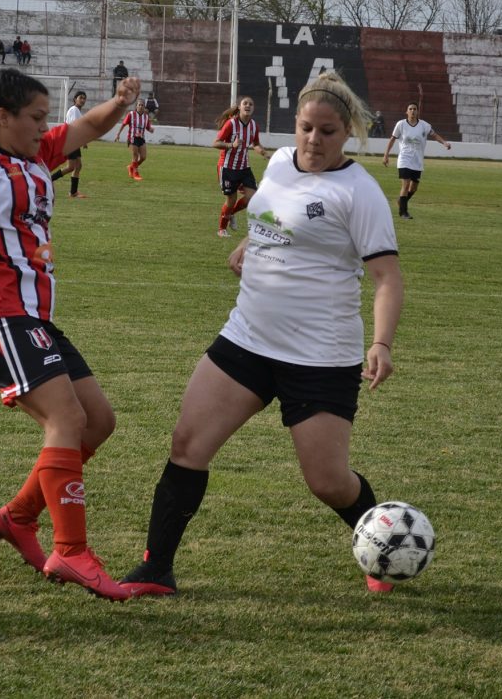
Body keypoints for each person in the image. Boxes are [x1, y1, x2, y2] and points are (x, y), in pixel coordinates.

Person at [119, 72, 404, 598]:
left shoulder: (359, 191)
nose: (314, 140)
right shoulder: (276, 163)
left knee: (327, 482)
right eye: (305, 128)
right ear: (292, 125)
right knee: (188, 444)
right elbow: (273, 218)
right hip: (247, 337)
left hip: (319, 355)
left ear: (348, 134)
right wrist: (251, 246)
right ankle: (156, 568)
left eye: (328, 131)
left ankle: (385, 543)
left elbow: (387, 278)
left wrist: (382, 343)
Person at [0, 68, 144, 601]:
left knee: (98, 422)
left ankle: (18, 518)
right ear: (4, 117)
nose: (46, 127)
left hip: (32, 318)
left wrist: (119, 104)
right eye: (37, 118)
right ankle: (71, 552)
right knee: (66, 418)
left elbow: (86, 128)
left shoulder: (31, 156)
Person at [381, 102, 451, 219]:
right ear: (406, 112)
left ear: (417, 111)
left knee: (413, 188)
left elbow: (434, 135)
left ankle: (401, 201)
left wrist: (444, 143)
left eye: (415, 109)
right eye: (410, 109)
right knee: (406, 184)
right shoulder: (401, 124)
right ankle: (403, 212)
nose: (413, 111)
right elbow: (392, 139)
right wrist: (386, 155)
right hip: (404, 159)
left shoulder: (424, 125)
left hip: (417, 161)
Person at [213, 96, 269, 238]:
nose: (248, 106)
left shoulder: (254, 125)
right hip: (227, 167)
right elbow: (216, 143)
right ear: (239, 107)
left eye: (251, 104)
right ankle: (221, 229)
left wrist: (263, 152)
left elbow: (255, 143)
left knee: (252, 197)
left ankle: (231, 213)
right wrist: (231, 145)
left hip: (244, 167)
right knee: (231, 200)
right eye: (245, 103)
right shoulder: (231, 124)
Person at [50, 91, 89, 198]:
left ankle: (73, 192)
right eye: (80, 98)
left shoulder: (77, 111)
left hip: (73, 141)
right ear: (75, 99)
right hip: (70, 141)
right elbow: (75, 127)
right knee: (71, 167)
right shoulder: (74, 110)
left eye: (84, 98)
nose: (82, 100)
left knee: (78, 166)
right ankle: (49, 180)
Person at [115, 98, 153, 181]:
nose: (140, 106)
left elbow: (148, 127)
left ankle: (131, 167)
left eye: (142, 105)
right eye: (139, 105)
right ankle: (136, 173)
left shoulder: (146, 117)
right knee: (135, 155)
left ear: (144, 107)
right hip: (132, 138)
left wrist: (151, 130)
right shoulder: (131, 114)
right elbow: (123, 124)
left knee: (143, 157)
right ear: (136, 106)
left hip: (141, 138)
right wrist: (118, 134)